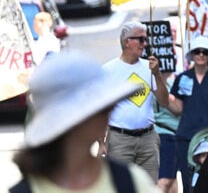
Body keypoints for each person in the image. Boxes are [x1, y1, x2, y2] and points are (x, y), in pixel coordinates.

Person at [11, 51, 157, 192]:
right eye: (102, 108)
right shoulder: (126, 181)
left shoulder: (128, 180)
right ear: (73, 120)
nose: (110, 112)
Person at [101, 21, 170, 182]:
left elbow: (164, 101)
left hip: (148, 138)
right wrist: (101, 142)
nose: (144, 44)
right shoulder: (108, 70)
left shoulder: (149, 66)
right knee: (122, 185)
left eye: (145, 40)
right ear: (127, 42)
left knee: (149, 186)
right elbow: (101, 110)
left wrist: (157, 74)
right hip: (120, 139)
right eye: (140, 39)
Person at [169, 36, 208, 193]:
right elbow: (177, 108)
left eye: (205, 52)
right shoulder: (183, 78)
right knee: (187, 182)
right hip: (185, 137)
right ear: (192, 54)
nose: (201, 55)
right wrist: (160, 89)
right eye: (197, 51)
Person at [154, 68, 181, 193]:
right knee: (164, 181)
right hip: (164, 134)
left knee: (172, 179)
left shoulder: (174, 83)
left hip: (174, 134)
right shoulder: (153, 83)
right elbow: (177, 109)